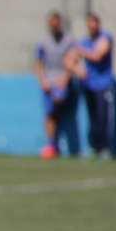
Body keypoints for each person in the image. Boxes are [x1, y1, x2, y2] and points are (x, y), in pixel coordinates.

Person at [34, 11, 77, 160]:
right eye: (51, 24)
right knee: (49, 114)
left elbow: (73, 61)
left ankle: (58, 146)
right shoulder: (43, 42)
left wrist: (65, 79)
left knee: (55, 112)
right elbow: (38, 63)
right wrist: (43, 81)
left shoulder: (69, 41)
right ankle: (51, 145)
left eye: (56, 23)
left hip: (62, 82)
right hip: (48, 82)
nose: (54, 26)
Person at [74, 12, 116, 159]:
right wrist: (77, 69)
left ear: (98, 24)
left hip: (103, 85)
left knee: (102, 117)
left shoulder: (105, 37)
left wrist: (81, 51)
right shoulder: (84, 41)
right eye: (89, 23)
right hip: (88, 86)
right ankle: (93, 147)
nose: (92, 26)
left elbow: (97, 55)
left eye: (94, 23)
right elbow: (69, 60)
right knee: (92, 117)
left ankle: (104, 148)